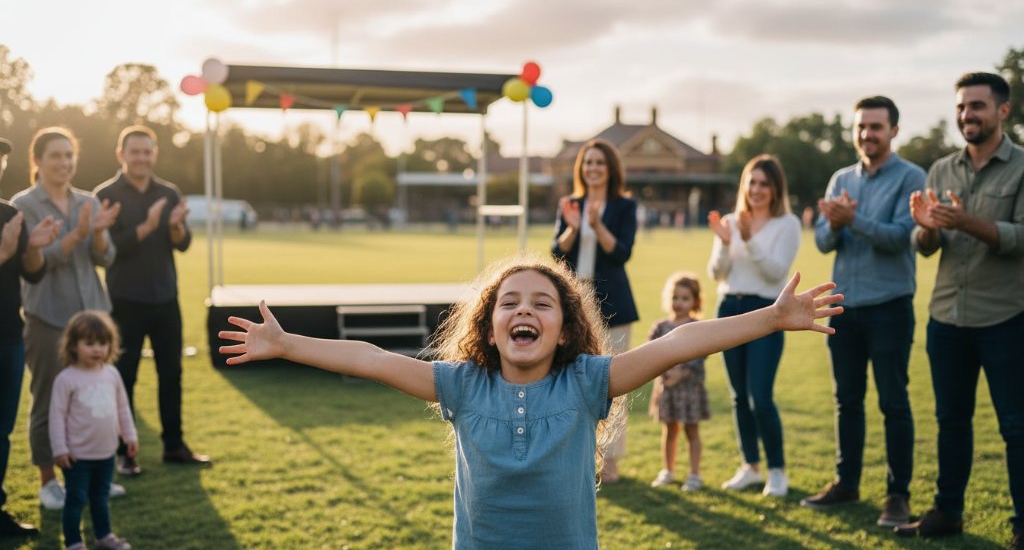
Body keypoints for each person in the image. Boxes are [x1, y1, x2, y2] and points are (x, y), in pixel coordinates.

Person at [218, 255, 843, 549]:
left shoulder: (587, 383)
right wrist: (289, 344)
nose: (524, 310)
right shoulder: (462, 385)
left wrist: (768, 319)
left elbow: (680, 342)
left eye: (542, 303)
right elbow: (371, 359)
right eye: (508, 303)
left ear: (566, 329)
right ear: (488, 328)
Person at [896, 72, 1024, 550]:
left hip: (1006, 317)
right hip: (947, 317)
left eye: (977, 106)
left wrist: (967, 221)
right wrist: (926, 227)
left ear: (1002, 111)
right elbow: (926, 246)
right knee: (951, 420)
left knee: (1015, 426)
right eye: (962, 107)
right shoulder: (941, 170)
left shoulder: (1021, 168)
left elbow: (1020, 238)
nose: (967, 115)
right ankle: (947, 512)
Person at [803, 96, 926, 527]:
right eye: (861, 127)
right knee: (846, 401)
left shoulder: (913, 177)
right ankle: (847, 482)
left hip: (890, 306)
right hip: (845, 308)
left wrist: (851, 221)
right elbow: (821, 241)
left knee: (894, 402)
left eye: (875, 127)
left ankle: (897, 497)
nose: (866, 135)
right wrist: (835, 222)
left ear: (894, 130)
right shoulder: (841, 178)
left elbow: (901, 238)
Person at [11, 127, 121, 510]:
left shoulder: (88, 200)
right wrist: (75, 236)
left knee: (91, 401)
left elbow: (104, 258)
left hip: (92, 314)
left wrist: (101, 234)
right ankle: (47, 482)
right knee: (47, 401)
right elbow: (33, 264)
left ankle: (92, 477)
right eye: (55, 155)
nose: (64, 163)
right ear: (37, 160)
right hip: (47, 316)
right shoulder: (23, 205)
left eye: (69, 155)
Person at [94, 125, 208, 473]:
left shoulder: (169, 192)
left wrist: (174, 226)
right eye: (135, 152)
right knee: (123, 378)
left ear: (154, 154)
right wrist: (146, 226)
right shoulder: (106, 194)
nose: (142, 158)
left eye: (147, 152)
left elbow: (182, 243)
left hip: (165, 299)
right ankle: (124, 453)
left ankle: (173, 445)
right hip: (125, 301)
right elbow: (108, 252)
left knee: (171, 374)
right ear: (121, 154)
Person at [708, 154, 801, 497]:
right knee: (738, 397)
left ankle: (777, 471)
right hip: (729, 307)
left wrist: (745, 240)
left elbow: (776, 273)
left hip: (766, 309)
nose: (758, 190)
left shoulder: (787, 224)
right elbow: (716, 273)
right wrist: (723, 241)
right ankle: (750, 466)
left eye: (765, 184)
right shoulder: (732, 220)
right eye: (753, 182)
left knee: (760, 395)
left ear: (776, 189)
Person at [552, 138, 639, 482]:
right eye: (588, 163)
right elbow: (557, 254)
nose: (593, 168)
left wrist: (597, 224)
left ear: (610, 169)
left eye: (600, 163)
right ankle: (576, 456)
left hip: (614, 305)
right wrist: (575, 226)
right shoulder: (570, 204)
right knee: (571, 381)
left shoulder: (623, 206)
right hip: (575, 305)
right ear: (581, 168)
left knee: (613, 384)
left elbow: (621, 253)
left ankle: (611, 462)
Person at [0, 137, 59, 537]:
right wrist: (4, 254)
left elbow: (33, 274)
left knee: (1, 430)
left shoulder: (10, 214)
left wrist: (32, 248)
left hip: (8, 337)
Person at [50, 310, 137, 550]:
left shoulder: (111, 374)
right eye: (89, 343)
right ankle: (74, 543)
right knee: (76, 499)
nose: (97, 349)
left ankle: (103, 536)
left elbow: (122, 408)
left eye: (102, 343)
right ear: (73, 345)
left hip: (106, 453)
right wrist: (60, 448)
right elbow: (56, 416)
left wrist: (130, 436)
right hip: (77, 456)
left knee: (100, 498)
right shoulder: (66, 379)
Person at [647, 272, 709, 492]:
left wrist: (681, 373)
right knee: (670, 431)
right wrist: (664, 375)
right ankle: (668, 470)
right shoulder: (660, 327)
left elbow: (701, 354)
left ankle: (694, 475)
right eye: (675, 297)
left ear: (695, 301)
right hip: (667, 390)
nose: (679, 303)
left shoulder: (696, 326)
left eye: (685, 298)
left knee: (692, 431)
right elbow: (650, 353)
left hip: (689, 390)